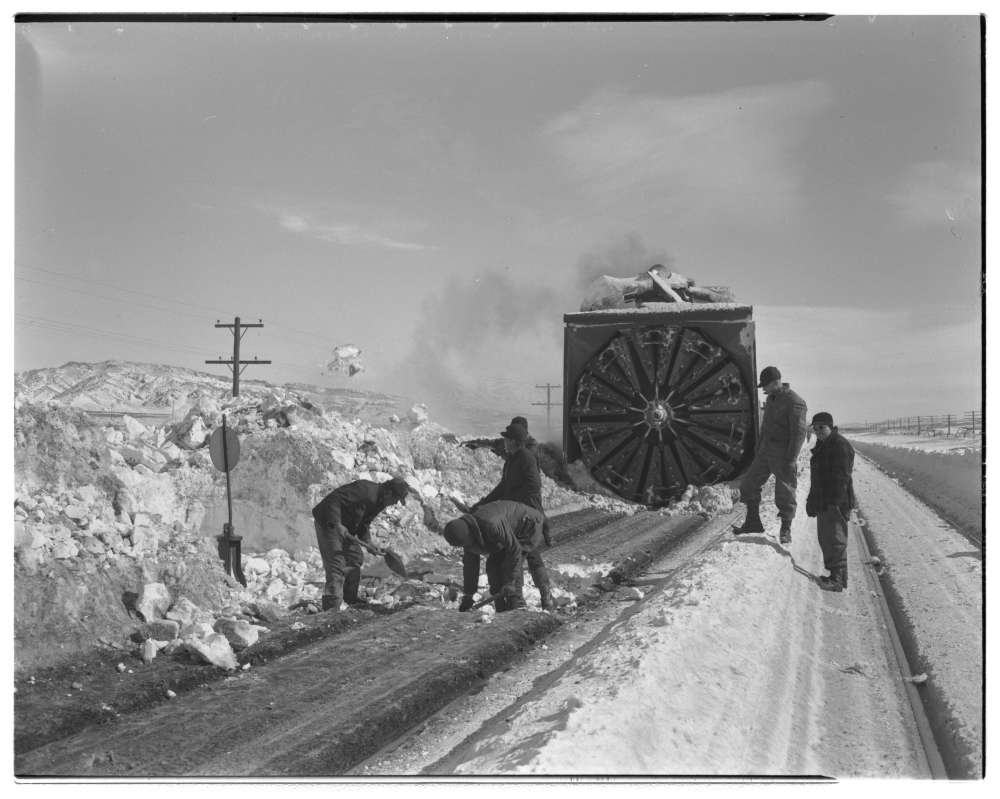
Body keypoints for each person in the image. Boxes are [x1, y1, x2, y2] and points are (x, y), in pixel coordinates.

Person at [472, 420, 555, 610]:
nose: (504, 443)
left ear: (515, 441)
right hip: (518, 514)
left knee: (516, 555)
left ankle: (520, 602)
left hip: (526, 516)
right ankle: (543, 598)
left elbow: (533, 487)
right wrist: (483, 503)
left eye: (507, 440)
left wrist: (519, 508)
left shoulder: (525, 457)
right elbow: (503, 487)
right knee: (526, 555)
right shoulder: (512, 460)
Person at [733, 365, 809, 544]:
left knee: (785, 493)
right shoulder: (773, 399)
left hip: (784, 454)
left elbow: (799, 433)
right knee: (749, 485)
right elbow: (765, 428)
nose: (764, 390)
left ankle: (785, 529)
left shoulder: (794, 401)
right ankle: (753, 523)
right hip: (765, 453)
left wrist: (790, 458)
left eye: (765, 386)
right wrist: (759, 450)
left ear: (775, 383)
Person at [312, 476, 410, 611]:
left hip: (346, 528)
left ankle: (350, 599)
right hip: (329, 524)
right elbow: (333, 500)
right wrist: (337, 523)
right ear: (389, 493)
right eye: (396, 499)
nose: (394, 503)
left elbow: (364, 523)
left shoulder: (380, 501)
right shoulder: (364, 491)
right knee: (336, 564)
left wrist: (369, 543)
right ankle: (331, 608)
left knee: (355, 557)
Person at [443, 499, 547, 612]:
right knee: (493, 567)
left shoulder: (491, 524)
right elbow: (470, 566)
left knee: (509, 567)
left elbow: (515, 550)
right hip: (506, 532)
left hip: (527, 525)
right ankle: (500, 607)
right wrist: (468, 595)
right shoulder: (466, 535)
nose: (464, 547)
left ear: (469, 535)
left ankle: (518, 604)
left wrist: (510, 583)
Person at [805, 412, 857, 592]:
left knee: (835, 539)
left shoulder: (839, 446)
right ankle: (835, 575)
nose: (818, 431)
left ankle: (838, 579)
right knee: (826, 538)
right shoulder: (824, 444)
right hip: (824, 500)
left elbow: (841, 478)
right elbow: (817, 477)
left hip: (836, 502)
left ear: (830, 427)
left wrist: (833, 502)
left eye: (822, 427)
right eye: (815, 427)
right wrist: (813, 499)